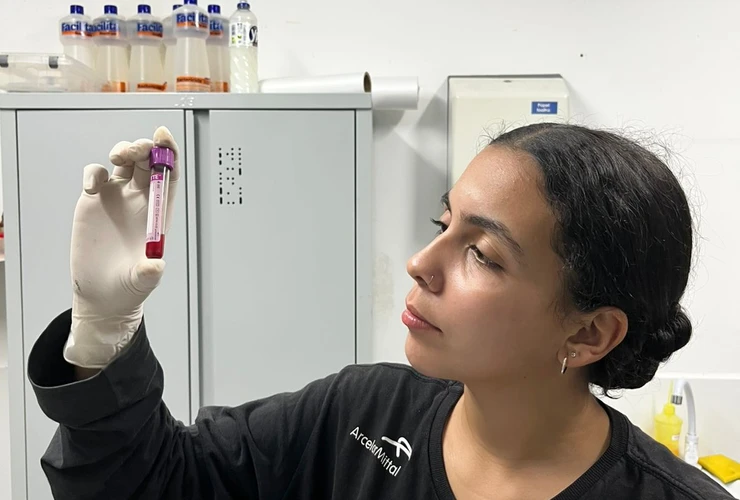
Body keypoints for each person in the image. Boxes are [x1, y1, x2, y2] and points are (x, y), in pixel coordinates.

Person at [28, 124, 732, 500]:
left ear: (588, 332)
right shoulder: (360, 415)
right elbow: (157, 483)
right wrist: (103, 331)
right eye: (442, 223)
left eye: (482, 254)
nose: (421, 262)